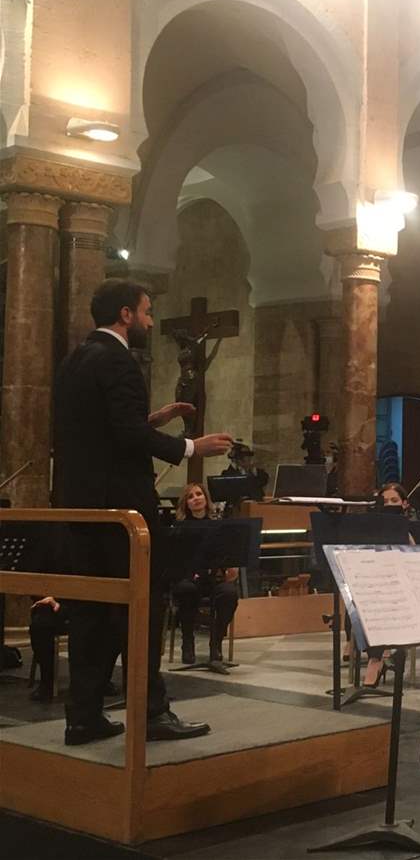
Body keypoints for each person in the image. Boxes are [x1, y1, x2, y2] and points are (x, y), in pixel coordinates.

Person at [53, 278, 233, 745]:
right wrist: (192, 446)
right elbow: (127, 437)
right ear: (126, 315)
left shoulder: (75, 360)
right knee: (142, 611)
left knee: (91, 614)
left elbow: (100, 431)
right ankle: (151, 712)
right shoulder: (119, 361)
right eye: (148, 312)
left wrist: (152, 420)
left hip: (83, 510)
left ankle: (83, 716)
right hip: (123, 513)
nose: (151, 322)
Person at [171, 483, 239, 666]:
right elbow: (175, 560)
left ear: (206, 498)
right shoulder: (180, 528)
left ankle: (216, 642)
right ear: (186, 504)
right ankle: (187, 642)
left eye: (199, 494)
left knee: (229, 593)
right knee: (187, 590)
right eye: (190, 496)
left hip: (213, 578)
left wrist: (232, 568)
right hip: (189, 579)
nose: (196, 498)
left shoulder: (219, 527)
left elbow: (227, 555)